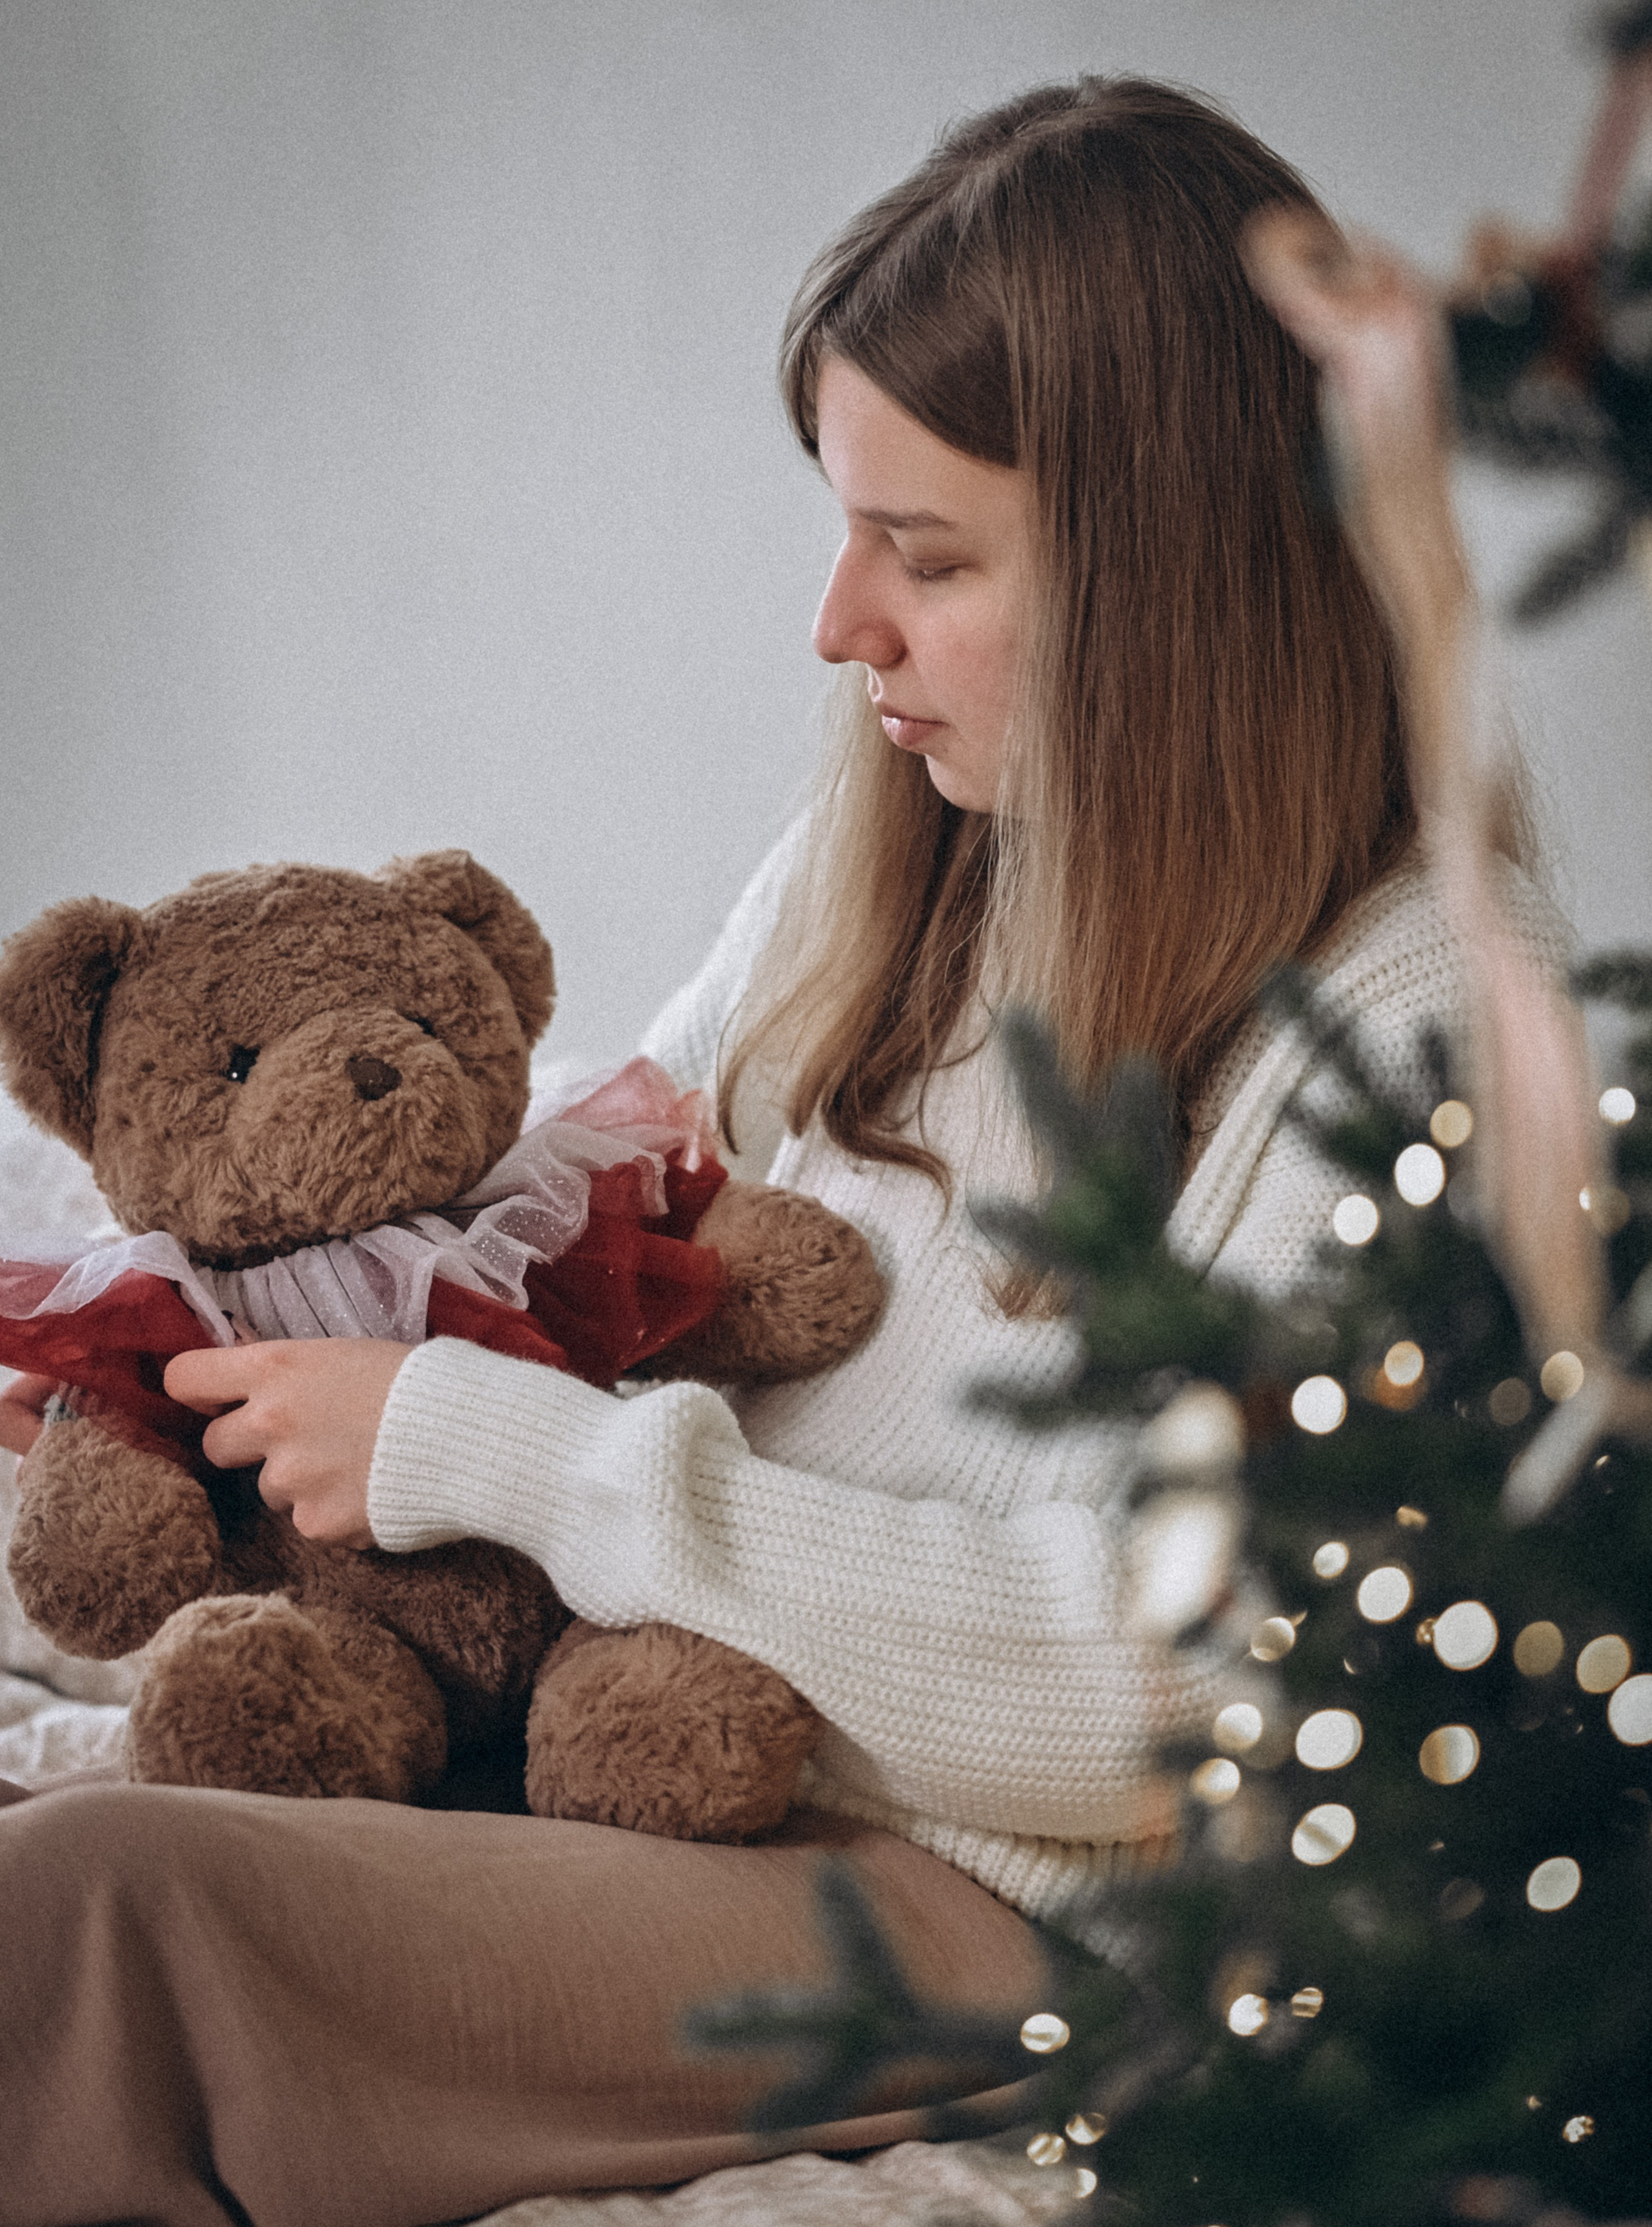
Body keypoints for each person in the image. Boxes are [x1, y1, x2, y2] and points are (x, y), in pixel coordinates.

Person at [0, 76, 1556, 2227]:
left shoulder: (1419, 1027)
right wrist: (197, 1341)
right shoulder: (900, 853)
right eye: (845, 530)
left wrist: (501, 1456)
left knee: (90, 1915)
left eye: (925, 556)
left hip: (980, 1895)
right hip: (620, 1735)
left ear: (1165, 576)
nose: (842, 625)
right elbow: (574, 1203)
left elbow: (1174, 1677)